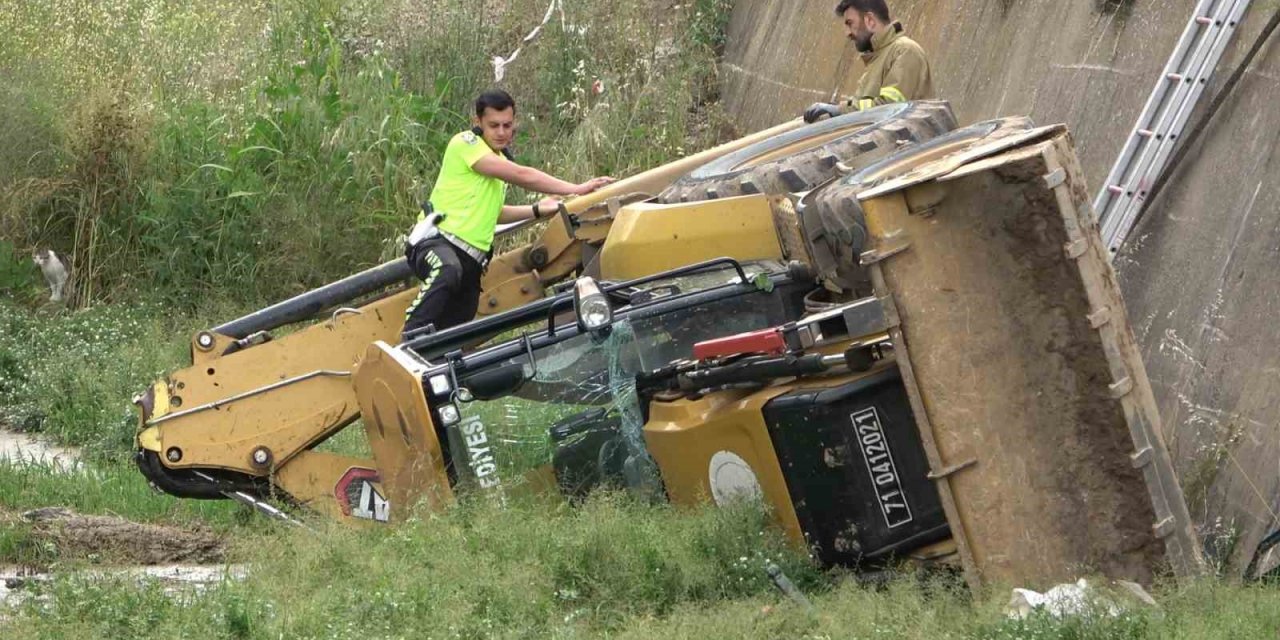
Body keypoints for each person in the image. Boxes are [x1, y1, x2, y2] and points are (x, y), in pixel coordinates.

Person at [402, 89, 614, 339]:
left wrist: (535, 210)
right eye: (494, 125)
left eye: (507, 125)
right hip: (437, 243)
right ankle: (410, 337)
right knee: (446, 270)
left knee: (457, 331)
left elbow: (494, 212)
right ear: (478, 121)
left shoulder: (498, 159)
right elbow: (522, 175)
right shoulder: (466, 144)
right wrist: (576, 189)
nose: (501, 132)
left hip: (471, 262)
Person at [803, 0, 935, 123]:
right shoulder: (879, 56)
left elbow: (890, 108)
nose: (847, 33)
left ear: (870, 20)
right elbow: (867, 109)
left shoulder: (905, 50)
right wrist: (836, 110)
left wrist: (839, 111)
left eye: (850, 23)